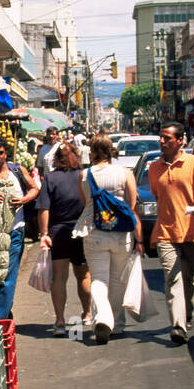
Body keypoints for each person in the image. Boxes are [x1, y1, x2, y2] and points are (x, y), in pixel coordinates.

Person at [148, 121, 194, 345]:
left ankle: (187, 314)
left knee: (189, 278)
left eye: (167, 138)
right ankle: (178, 325)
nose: (162, 141)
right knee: (172, 278)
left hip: (193, 232)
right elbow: (159, 197)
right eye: (161, 137)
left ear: (180, 140)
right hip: (165, 232)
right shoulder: (154, 167)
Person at [78, 135, 143, 344]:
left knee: (98, 278)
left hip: (93, 231)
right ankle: (117, 324)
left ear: (94, 152)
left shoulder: (85, 174)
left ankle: (103, 318)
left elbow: (85, 202)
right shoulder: (125, 173)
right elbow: (132, 205)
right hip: (120, 233)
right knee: (117, 280)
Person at [36, 142, 92, 336]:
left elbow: (44, 208)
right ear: (75, 156)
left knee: (59, 277)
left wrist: (44, 234)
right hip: (82, 231)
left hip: (58, 232)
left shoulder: (50, 179)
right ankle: (87, 313)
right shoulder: (84, 175)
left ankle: (60, 321)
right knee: (83, 275)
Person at [0, 137, 38, 322]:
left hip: (14, 232)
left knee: (6, 278)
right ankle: (4, 312)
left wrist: (23, 200)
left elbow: (34, 189)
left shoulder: (17, 170)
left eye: (0, 152)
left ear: (6, 154)